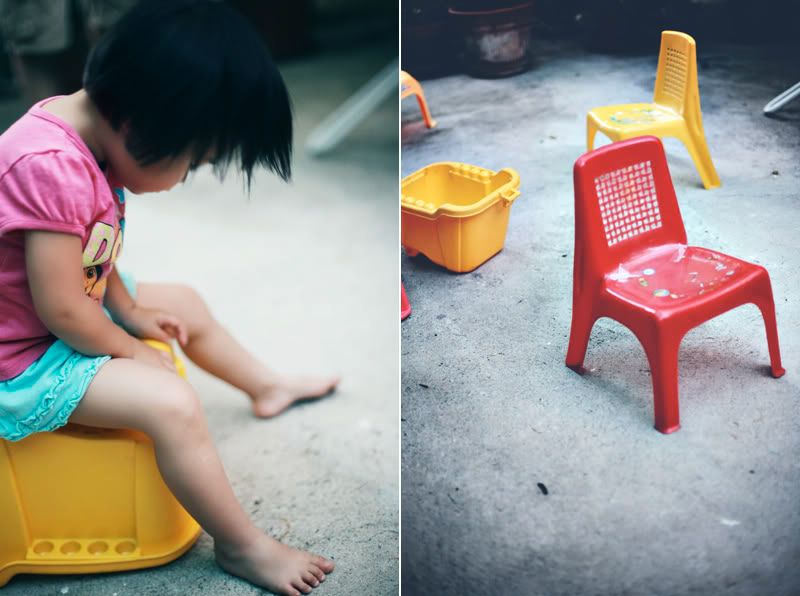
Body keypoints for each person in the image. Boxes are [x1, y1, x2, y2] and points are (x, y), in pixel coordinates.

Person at [0, 1, 339, 594]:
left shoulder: (88, 137)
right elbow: (61, 308)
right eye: (195, 161)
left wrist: (128, 310)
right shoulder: (49, 163)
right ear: (136, 124)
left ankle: (266, 386)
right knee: (171, 403)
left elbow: (95, 247)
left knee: (181, 301)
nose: (187, 177)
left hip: (53, 310)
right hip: (20, 354)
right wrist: (130, 350)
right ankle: (242, 547)